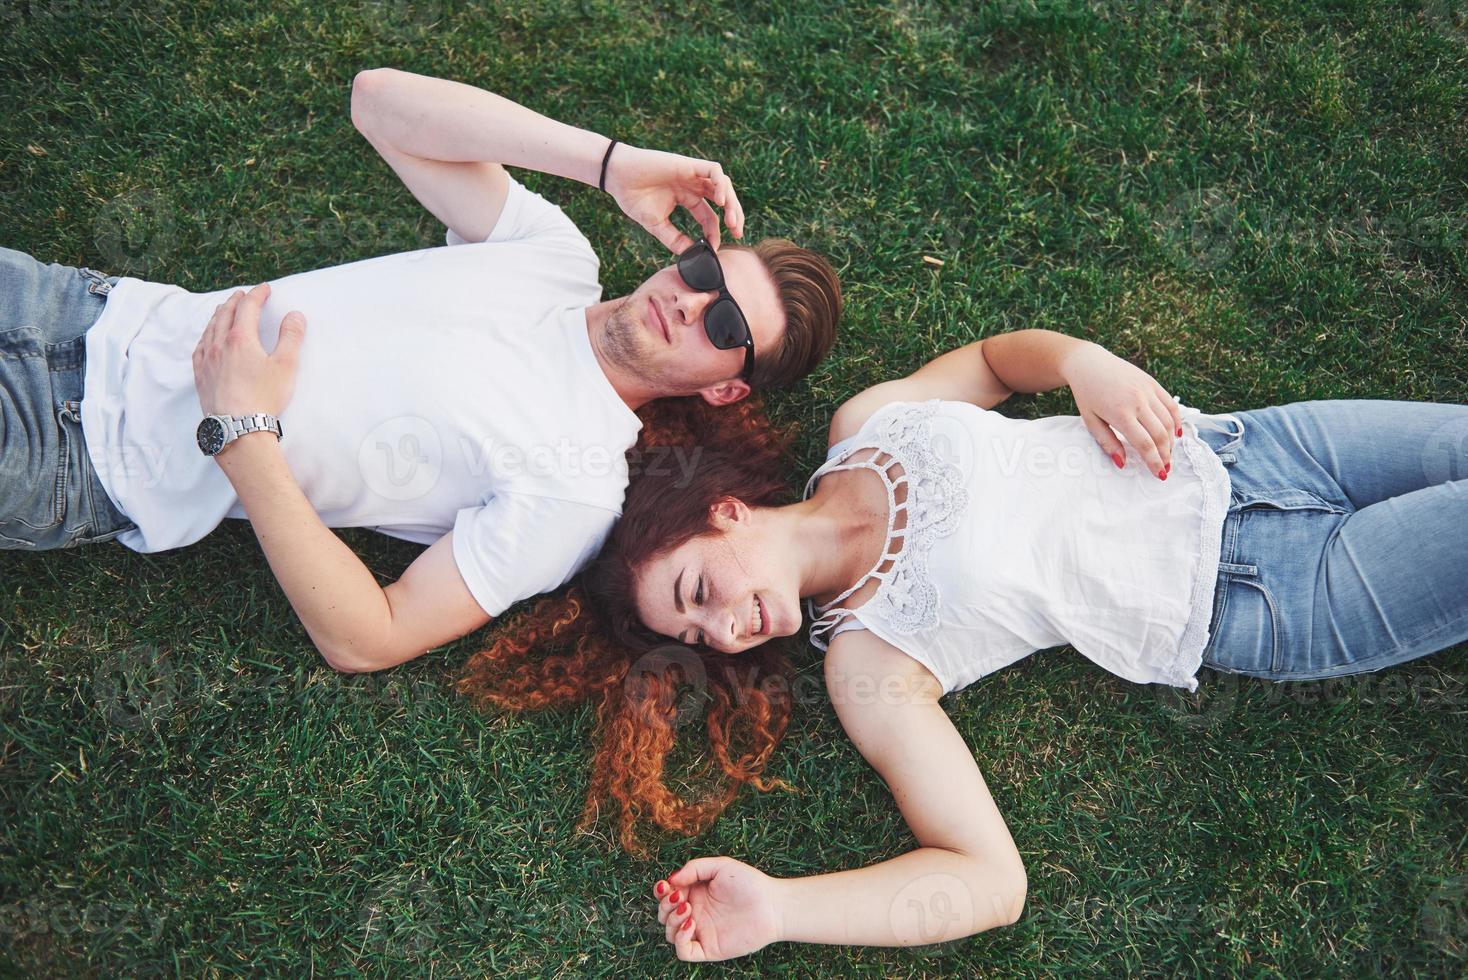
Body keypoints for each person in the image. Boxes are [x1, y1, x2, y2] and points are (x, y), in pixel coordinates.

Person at [578, 327, 1466, 960]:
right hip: (1268, 595)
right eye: (701, 638)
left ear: (723, 512)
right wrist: (777, 908)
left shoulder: (868, 422)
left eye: (701, 592)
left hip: (1253, 447)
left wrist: (1085, 364)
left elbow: (999, 363)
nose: (728, 630)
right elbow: (988, 882)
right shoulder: (867, 663)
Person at [0, 68, 842, 675]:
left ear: (725, 386)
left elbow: (371, 636)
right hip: (85, 309)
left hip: (85, 458)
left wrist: (243, 434)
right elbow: (380, 103)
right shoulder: (554, 256)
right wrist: (608, 165)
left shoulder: (575, 492)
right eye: (703, 273)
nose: (691, 303)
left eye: (724, 324)